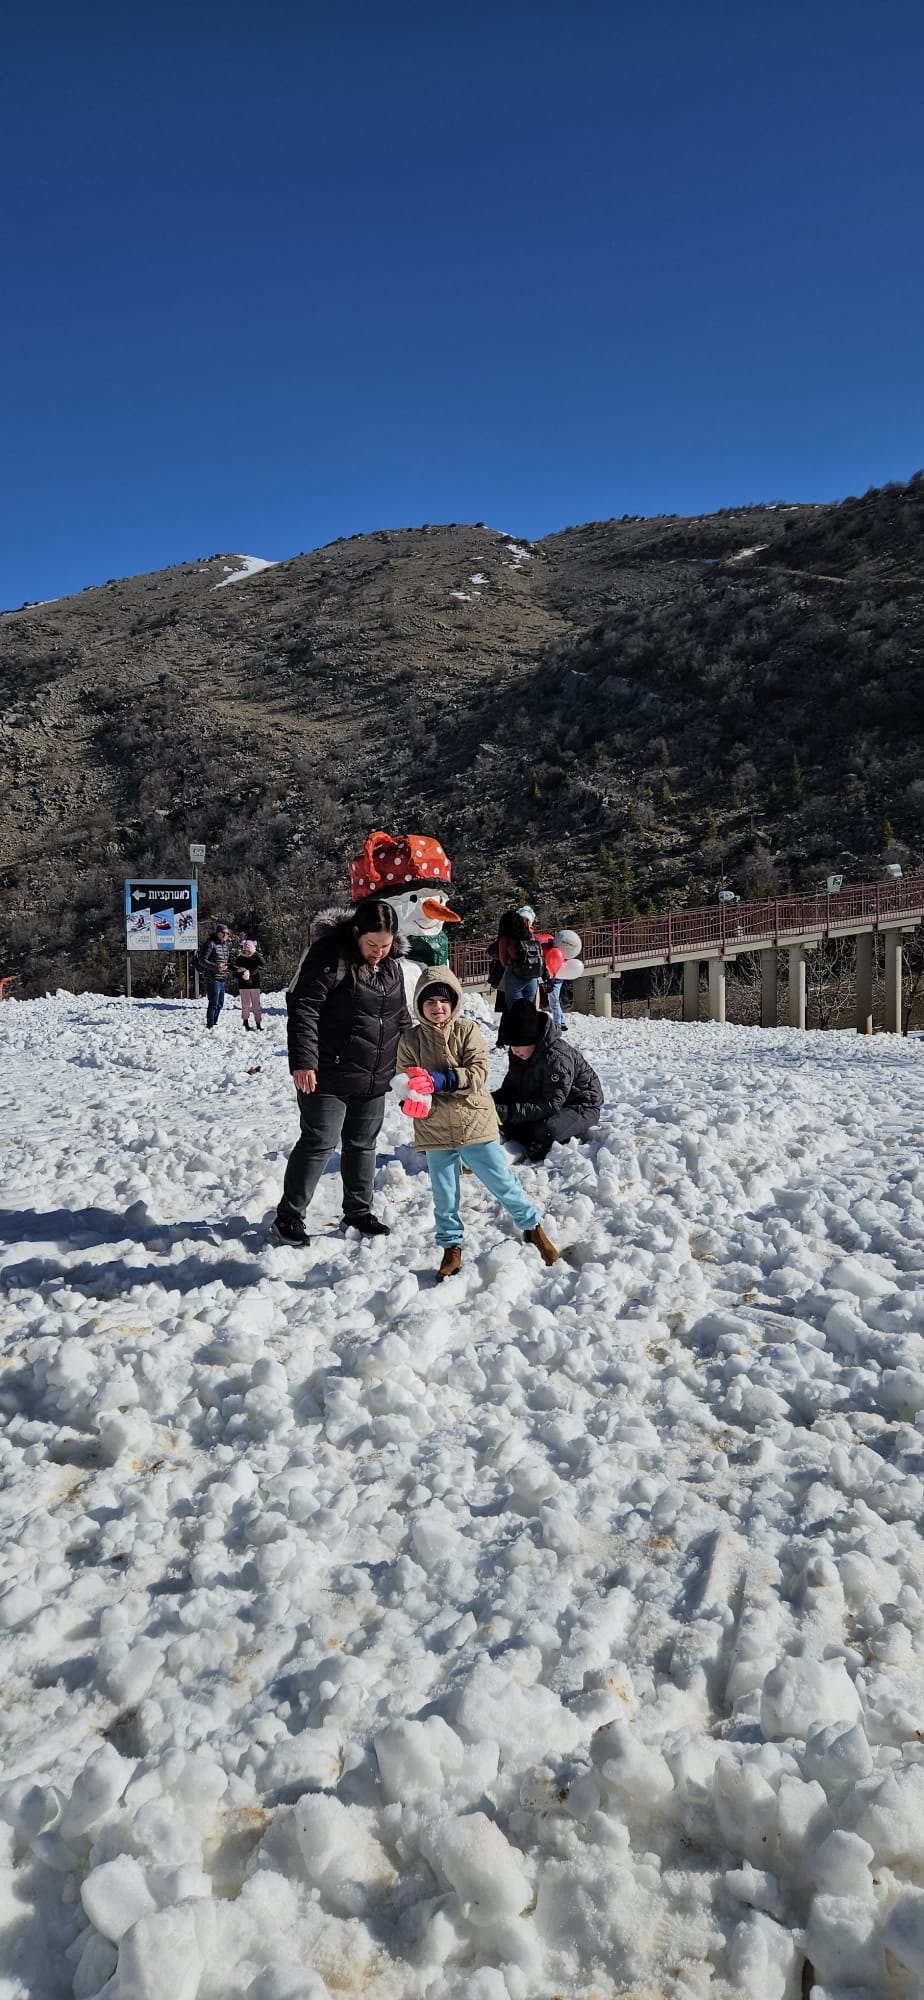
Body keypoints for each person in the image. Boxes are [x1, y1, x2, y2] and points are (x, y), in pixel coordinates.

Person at [396, 966, 560, 1281]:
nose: (437, 1007)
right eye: (429, 1001)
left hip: (474, 1122)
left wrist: (441, 1080)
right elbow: (403, 1078)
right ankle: (451, 1247)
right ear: (419, 1004)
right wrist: (408, 1099)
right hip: (434, 1128)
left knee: (502, 1182)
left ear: (454, 1002)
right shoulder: (410, 1040)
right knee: (444, 1195)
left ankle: (532, 1227)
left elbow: (478, 1072)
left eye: (443, 1001)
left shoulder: (467, 1030)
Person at [272, 898, 412, 1248]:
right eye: (371, 944)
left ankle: (358, 1212)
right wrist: (304, 1062)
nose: (379, 952)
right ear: (356, 933)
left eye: (385, 945)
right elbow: (304, 1010)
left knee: (362, 1144)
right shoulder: (329, 957)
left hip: (374, 1074)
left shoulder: (392, 968)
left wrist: (413, 1062)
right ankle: (289, 1215)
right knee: (319, 1141)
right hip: (327, 1072)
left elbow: (400, 1018)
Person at [493, 998, 604, 1161]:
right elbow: (512, 1087)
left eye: (517, 1045)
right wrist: (490, 1101)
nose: (514, 1051)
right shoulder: (520, 1053)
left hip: (579, 1105)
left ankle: (540, 1142)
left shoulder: (557, 1058)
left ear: (531, 1039)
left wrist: (509, 1113)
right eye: (511, 1046)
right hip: (542, 1098)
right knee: (503, 1114)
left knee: (546, 1129)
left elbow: (551, 1103)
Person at [496, 907, 545, 1011]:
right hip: (532, 974)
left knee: (515, 1009)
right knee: (529, 1009)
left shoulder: (506, 938)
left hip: (514, 974)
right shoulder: (530, 935)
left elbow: (503, 961)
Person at [200, 924, 231, 1029]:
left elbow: (226, 962)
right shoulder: (210, 944)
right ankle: (210, 1025)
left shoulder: (225, 946)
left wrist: (237, 969)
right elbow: (202, 960)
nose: (225, 935)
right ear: (217, 933)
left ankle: (214, 1022)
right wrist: (216, 967)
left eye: (227, 933)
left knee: (220, 1003)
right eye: (223, 932)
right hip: (212, 977)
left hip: (222, 977)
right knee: (214, 1002)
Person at [234, 939, 265, 1030]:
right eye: (245, 951)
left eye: (249, 951)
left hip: (255, 985)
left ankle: (258, 1023)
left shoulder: (256, 958)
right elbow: (234, 973)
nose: (247, 953)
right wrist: (241, 973)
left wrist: (255, 953)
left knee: (256, 1006)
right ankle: (245, 1022)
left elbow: (263, 963)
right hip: (243, 985)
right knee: (245, 1005)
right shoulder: (240, 958)